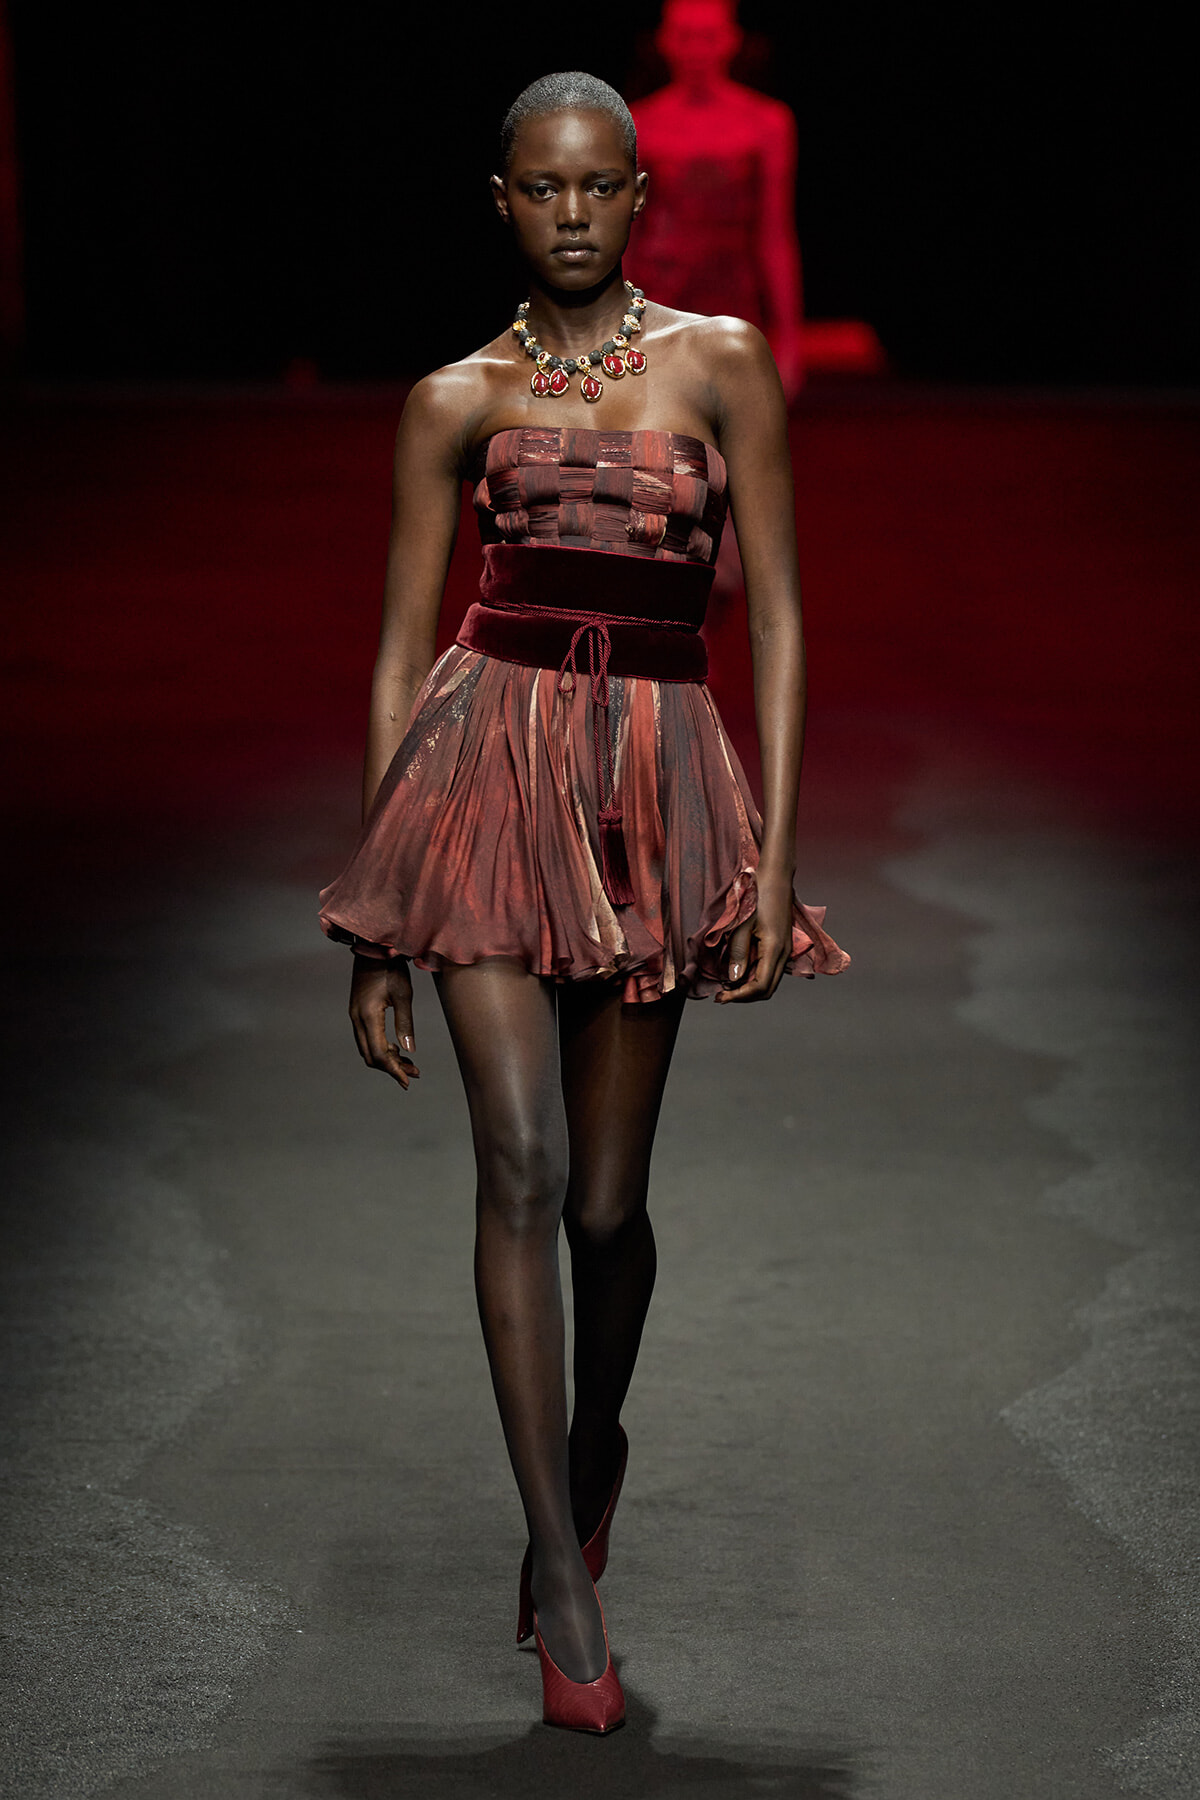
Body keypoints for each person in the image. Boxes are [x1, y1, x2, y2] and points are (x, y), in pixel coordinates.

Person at [318, 70, 848, 1735]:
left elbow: (774, 619)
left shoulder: (724, 365)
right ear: (502, 200)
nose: (568, 212)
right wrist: (382, 901)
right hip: (483, 779)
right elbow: (406, 649)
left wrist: (765, 861)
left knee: (609, 1209)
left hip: (656, 790)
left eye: (595, 187)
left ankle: (588, 1450)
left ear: (635, 199)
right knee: (522, 1164)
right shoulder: (448, 401)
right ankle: (560, 1573)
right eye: (539, 188)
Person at [631, 0, 805, 401]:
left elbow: (775, 234)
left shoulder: (767, 122)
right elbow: (625, 237)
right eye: (685, 37)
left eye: (707, 37)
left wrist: (791, 340)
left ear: (731, 41)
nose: (696, 50)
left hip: (734, 302)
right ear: (665, 41)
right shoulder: (640, 122)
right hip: (659, 305)